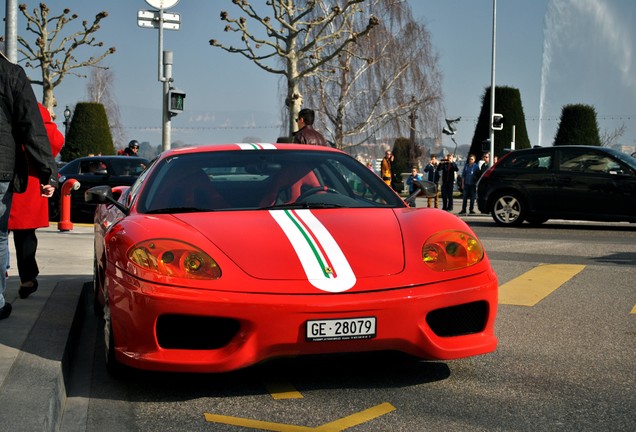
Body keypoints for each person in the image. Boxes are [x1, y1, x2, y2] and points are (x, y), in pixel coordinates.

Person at [0, 49, 58, 320]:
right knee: (10, 237)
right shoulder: (13, 76)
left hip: (16, 176)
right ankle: (17, 285)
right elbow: (41, 135)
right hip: (16, 176)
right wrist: (48, 172)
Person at [8, 104, 64, 299]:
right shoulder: (34, 108)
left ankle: (3, 271)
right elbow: (55, 140)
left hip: (9, 173)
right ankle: (27, 279)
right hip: (29, 180)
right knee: (25, 235)